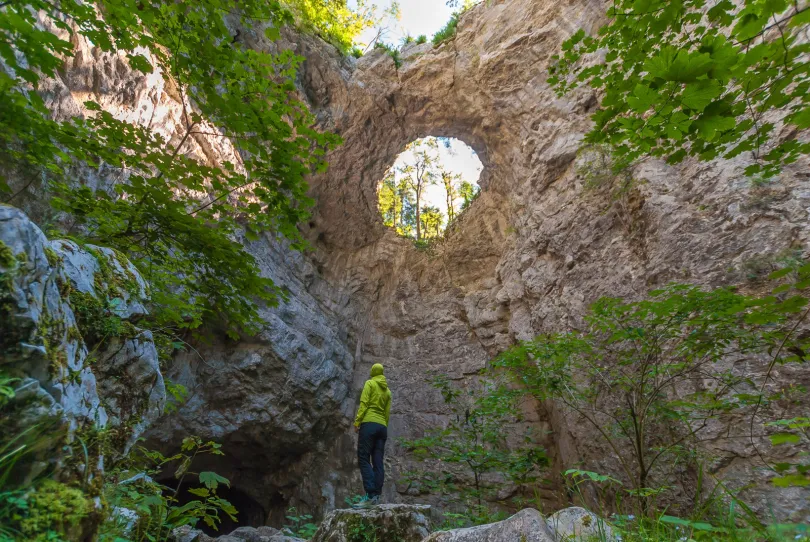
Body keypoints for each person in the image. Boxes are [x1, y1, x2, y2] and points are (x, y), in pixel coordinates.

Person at [352, 363, 392, 509]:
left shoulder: (370, 383)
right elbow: (387, 413)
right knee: (378, 461)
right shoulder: (387, 391)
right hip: (382, 427)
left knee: (363, 458)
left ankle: (369, 495)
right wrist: (383, 426)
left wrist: (357, 422)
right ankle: (376, 495)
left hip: (369, 424)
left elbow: (364, 404)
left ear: (373, 372)